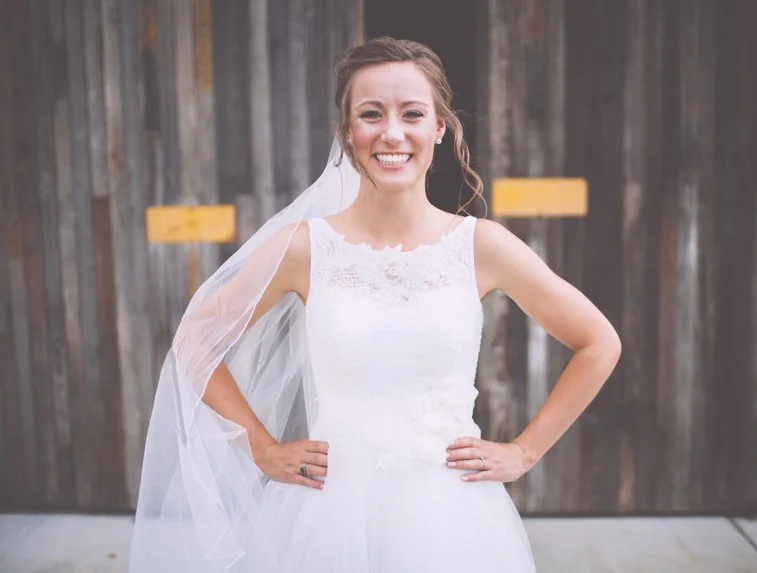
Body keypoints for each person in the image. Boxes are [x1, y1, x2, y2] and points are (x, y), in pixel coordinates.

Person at [129, 37, 621, 572]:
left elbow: (599, 343)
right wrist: (264, 450)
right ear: (347, 132)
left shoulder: (481, 245)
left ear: (439, 127)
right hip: (326, 516)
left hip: (452, 518)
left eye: (412, 113)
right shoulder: (304, 247)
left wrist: (524, 451)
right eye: (371, 114)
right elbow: (193, 343)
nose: (392, 132)